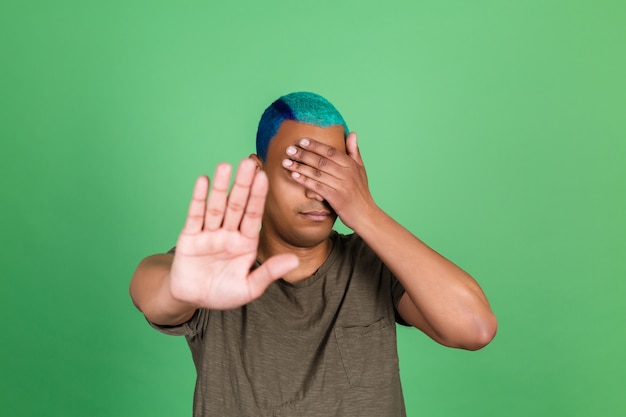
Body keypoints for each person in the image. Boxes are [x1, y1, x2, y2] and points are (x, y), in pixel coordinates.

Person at [129, 92, 497, 417]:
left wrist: (365, 211)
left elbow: (475, 327)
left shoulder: (375, 264)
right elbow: (150, 287)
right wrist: (179, 290)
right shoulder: (216, 267)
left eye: (333, 173)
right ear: (259, 173)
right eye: (298, 170)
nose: (318, 192)